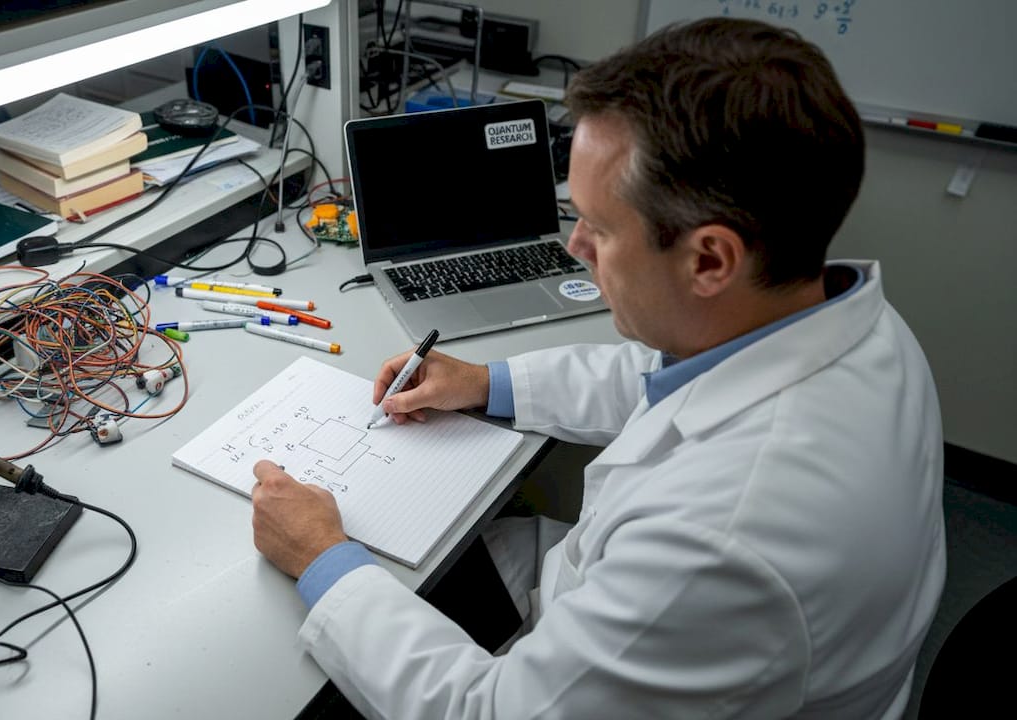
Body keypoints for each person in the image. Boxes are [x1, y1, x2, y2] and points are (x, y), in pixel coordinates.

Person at [251, 17, 945, 719]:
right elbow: (656, 376)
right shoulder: (853, 322)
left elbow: (490, 712)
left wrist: (321, 556)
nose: (573, 244)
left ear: (709, 259)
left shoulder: (720, 541)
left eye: (599, 228)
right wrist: (485, 383)